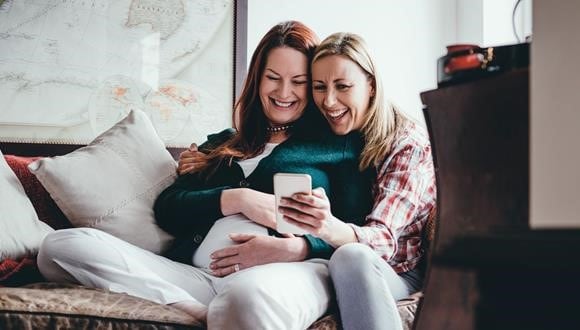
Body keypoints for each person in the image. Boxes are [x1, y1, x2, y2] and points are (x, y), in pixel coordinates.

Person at [37, 21, 374, 329]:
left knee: (246, 298)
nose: (284, 92)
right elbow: (168, 209)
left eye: (299, 82)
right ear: (258, 80)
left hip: (284, 274)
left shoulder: (336, 148)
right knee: (59, 246)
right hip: (196, 277)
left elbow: (357, 232)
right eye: (273, 78)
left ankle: (220, 307)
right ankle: (187, 307)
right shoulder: (222, 144)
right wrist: (237, 199)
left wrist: (299, 248)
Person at [276, 32, 437, 330]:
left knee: (350, 257)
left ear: (371, 86)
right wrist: (211, 156)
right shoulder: (327, 131)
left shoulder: (407, 145)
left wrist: (325, 226)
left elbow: (384, 240)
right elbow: (264, 136)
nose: (329, 101)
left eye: (343, 86)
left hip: (394, 269)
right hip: (329, 258)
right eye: (319, 87)